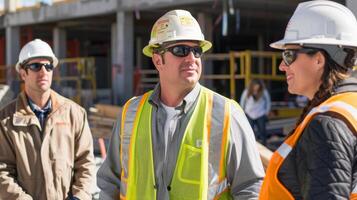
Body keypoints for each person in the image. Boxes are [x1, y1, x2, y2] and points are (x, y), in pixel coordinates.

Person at [97, 9, 265, 199]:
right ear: (157, 59)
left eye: (196, 50)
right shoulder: (131, 113)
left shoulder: (226, 113)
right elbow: (111, 181)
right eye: (181, 50)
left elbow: (251, 187)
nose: (192, 58)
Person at [259, 1, 357, 199]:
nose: (282, 66)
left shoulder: (327, 125)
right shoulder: (348, 107)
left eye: (288, 55)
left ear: (319, 60)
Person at [0, 39, 95, 200]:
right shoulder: (5, 120)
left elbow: (85, 163)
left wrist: (79, 196)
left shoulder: (75, 113)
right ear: (23, 73)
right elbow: (2, 171)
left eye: (48, 66)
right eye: (36, 66)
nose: (43, 71)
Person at [240, 79, 271, 145]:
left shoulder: (264, 91)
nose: (256, 88)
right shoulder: (246, 92)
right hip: (249, 114)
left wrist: (266, 112)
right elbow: (242, 102)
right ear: (252, 86)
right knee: (250, 131)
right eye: (255, 86)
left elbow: (268, 102)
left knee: (262, 131)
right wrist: (242, 113)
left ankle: (264, 145)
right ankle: (252, 145)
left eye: (258, 87)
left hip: (260, 114)